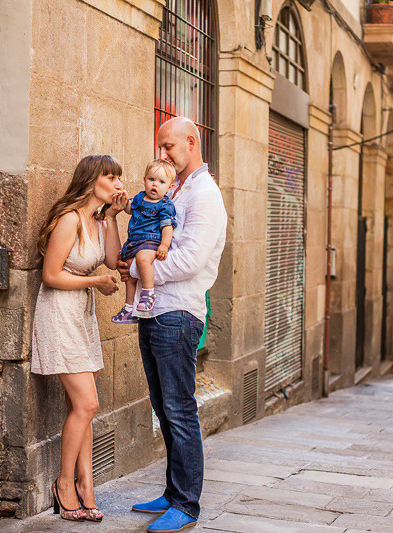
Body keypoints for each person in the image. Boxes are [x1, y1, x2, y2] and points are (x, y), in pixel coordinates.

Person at [120, 117, 227, 533]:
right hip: (155, 311)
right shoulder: (175, 187)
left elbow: (190, 260)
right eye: (159, 148)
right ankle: (171, 492)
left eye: (169, 146)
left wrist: (139, 273)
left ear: (191, 142)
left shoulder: (205, 195)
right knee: (165, 409)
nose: (162, 154)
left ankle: (186, 503)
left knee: (180, 411)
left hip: (178, 314)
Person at [31, 155, 128, 522]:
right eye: (111, 176)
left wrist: (116, 217)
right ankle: (64, 483)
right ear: (91, 180)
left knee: (83, 408)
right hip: (59, 312)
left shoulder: (99, 220)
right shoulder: (70, 219)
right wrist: (94, 283)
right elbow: (51, 275)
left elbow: (114, 260)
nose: (118, 182)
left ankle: (86, 485)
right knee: (87, 404)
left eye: (120, 177)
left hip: (82, 316)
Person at [111, 159, 177, 324]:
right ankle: (129, 307)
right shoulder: (140, 198)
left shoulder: (165, 206)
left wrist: (164, 245)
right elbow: (128, 209)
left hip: (151, 242)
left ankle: (148, 293)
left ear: (170, 187)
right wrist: (123, 201)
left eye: (162, 182)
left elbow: (167, 228)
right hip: (134, 242)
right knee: (129, 273)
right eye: (151, 179)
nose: (155, 185)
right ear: (144, 179)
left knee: (142, 259)